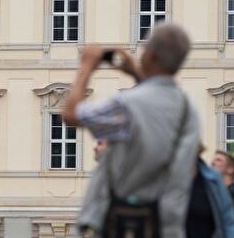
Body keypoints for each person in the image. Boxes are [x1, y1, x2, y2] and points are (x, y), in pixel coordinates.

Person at [64, 22, 201, 237]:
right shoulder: (188, 109)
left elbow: (71, 114)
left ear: (150, 54)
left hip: (123, 224)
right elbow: (155, 100)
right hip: (168, 226)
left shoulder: (126, 104)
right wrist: (137, 74)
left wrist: (86, 66)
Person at [186, 148, 234, 238]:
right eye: (213, 160)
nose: (213, 163)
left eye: (218, 160)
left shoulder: (215, 181)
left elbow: (229, 221)